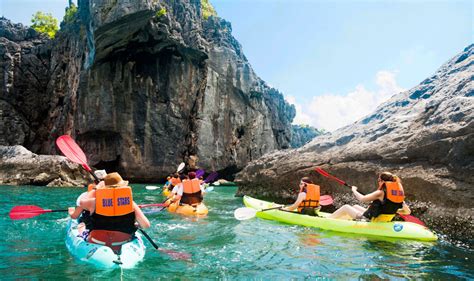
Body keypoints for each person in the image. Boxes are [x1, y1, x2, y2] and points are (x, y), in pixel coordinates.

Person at [79, 172, 151, 253]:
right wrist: (135, 224)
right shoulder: (131, 203)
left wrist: (96, 188)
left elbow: (81, 202)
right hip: (121, 242)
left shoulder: (94, 202)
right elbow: (146, 225)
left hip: (97, 241)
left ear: (105, 188)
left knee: (81, 226)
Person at [328, 172, 411, 221]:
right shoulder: (397, 195)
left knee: (346, 207)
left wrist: (354, 190)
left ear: (382, 181)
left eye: (379, 180)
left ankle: (327, 220)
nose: (378, 182)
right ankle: (345, 221)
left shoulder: (380, 193)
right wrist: (392, 210)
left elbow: (362, 199)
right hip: (382, 219)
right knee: (355, 206)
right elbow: (407, 212)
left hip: (370, 220)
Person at [68, 170, 107, 235]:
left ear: (94, 182)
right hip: (112, 230)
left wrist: (71, 212)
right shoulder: (116, 197)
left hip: (93, 231)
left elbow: (75, 216)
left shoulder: (84, 196)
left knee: (81, 221)